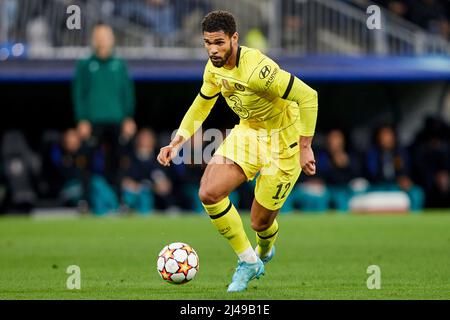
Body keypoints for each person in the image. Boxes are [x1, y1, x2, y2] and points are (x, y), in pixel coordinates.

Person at [157, 11, 318, 292]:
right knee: (208, 192)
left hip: (284, 141)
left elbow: (308, 96)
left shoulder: (258, 71)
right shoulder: (213, 68)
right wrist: (177, 141)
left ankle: (265, 247)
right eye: (207, 43)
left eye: (219, 42)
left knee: (260, 222)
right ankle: (248, 261)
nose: (212, 49)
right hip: (249, 132)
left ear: (234, 38)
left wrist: (306, 148)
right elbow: (202, 104)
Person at [72, 23, 136, 197]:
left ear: (112, 39)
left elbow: (127, 92)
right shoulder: (85, 64)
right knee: (86, 161)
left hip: (117, 121)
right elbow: (79, 93)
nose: (102, 40)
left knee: (119, 161)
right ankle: (85, 201)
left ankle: (120, 200)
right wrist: (82, 119)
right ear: (93, 39)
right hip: (93, 121)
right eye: (99, 36)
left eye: (106, 36)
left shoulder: (119, 64)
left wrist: (128, 117)